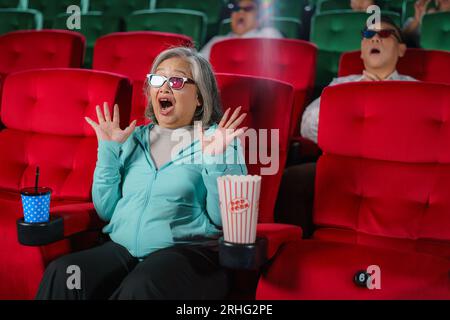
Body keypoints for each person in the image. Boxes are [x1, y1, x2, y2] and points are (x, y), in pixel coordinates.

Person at [35, 47, 248, 300]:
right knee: (63, 273)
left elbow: (224, 220)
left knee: (142, 285)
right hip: (122, 249)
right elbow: (107, 211)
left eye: (177, 80)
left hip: (188, 255)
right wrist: (108, 152)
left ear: (200, 96)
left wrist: (215, 159)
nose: (164, 88)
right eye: (158, 79)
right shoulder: (133, 137)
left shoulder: (220, 141)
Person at [301, 16, 416, 144]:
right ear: (362, 50)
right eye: (368, 34)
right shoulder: (339, 86)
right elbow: (306, 128)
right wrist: (348, 100)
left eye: (385, 33)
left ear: (401, 49)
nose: (375, 38)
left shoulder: (418, 90)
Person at [200, 0, 282, 60]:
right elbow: (197, 68)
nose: (240, 12)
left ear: (259, 18)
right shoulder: (217, 41)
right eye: (236, 8)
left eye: (248, 8)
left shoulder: (268, 35)